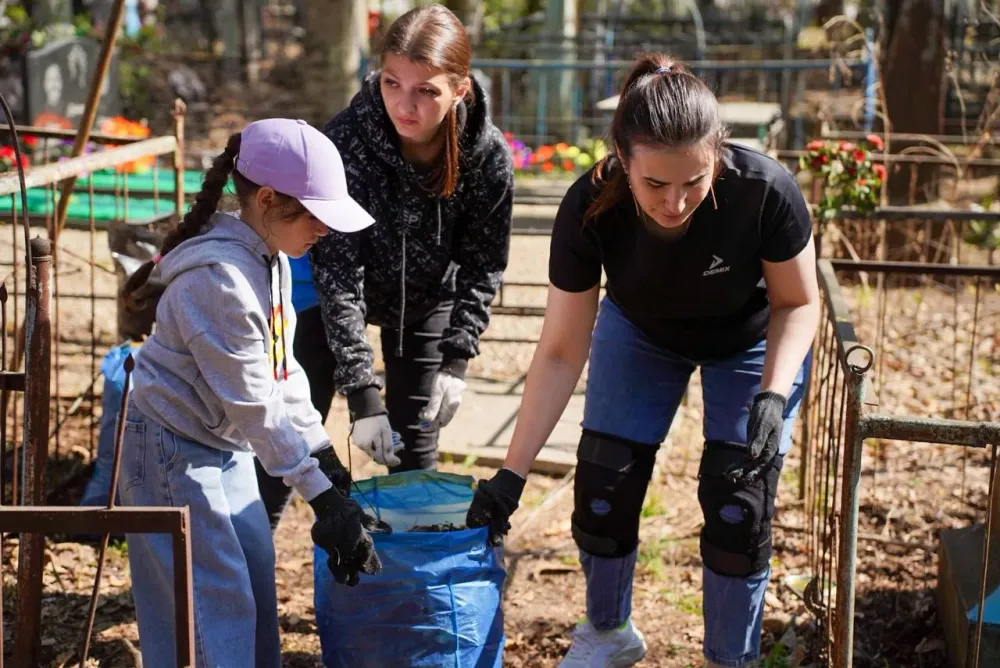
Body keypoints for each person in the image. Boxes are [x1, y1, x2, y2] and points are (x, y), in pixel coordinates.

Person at [466, 53, 819, 668]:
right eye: (655, 184)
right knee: (604, 483)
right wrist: (512, 475)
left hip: (751, 341)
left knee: (739, 502)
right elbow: (559, 349)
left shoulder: (763, 191)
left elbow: (799, 303)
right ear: (621, 162)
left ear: (717, 156)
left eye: (694, 182)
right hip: (642, 332)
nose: (676, 202)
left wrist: (773, 392)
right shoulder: (588, 207)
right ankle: (608, 632)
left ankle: (731, 659)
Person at [117, 118, 384, 668]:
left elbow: (282, 373)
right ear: (267, 199)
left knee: (254, 576)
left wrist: (326, 462)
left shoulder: (274, 259)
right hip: (170, 447)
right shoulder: (220, 281)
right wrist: (320, 495)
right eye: (315, 215)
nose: (325, 231)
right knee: (213, 600)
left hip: (224, 441)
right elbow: (255, 403)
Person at [257, 3, 514, 529]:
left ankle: (402, 583)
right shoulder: (348, 141)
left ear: (459, 89)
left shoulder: (486, 157)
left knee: (413, 446)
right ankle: (244, 566)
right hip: (327, 293)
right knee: (289, 436)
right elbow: (338, 272)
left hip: (424, 302)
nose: (405, 105)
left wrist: (457, 359)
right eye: (393, 84)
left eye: (426, 91)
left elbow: (483, 264)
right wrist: (361, 393)